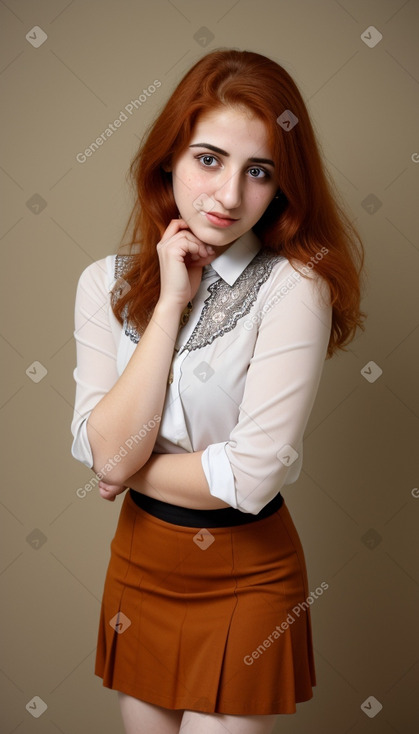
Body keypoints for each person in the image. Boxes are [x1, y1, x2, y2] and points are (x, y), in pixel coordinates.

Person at [70, 49, 365, 734]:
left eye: (257, 171)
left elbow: (252, 476)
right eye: (208, 160)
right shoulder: (103, 285)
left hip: (246, 574)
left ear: (281, 186)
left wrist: (122, 464)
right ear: (167, 160)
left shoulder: (295, 286)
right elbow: (102, 442)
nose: (228, 196)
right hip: (139, 561)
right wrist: (170, 304)